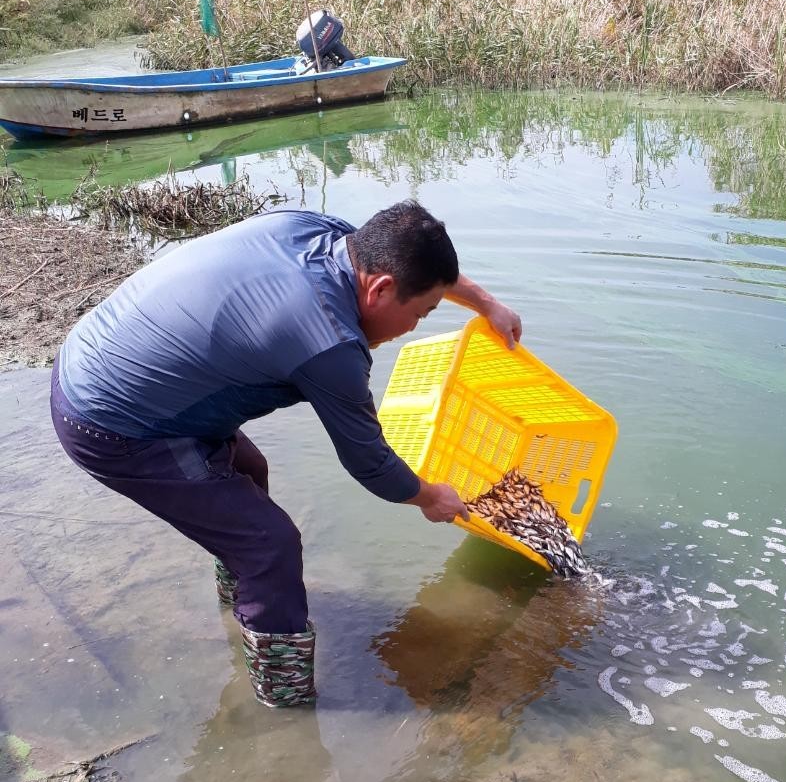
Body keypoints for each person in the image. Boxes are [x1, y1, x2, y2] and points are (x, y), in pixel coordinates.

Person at [50, 201, 522, 708]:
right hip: (112, 421)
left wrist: (486, 304)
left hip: (99, 357)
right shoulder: (331, 342)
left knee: (248, 472)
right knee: (269, 545)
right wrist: (429, 496)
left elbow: (418, 267)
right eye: (419, 313)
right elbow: (370, 464)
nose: (413, 326)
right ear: (381, 289)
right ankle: (285, 702)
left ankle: (245, 612)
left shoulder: (320, 231)